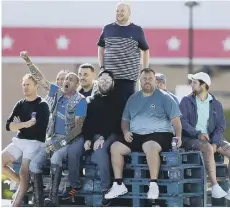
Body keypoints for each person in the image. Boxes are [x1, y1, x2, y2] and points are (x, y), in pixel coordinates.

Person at [20, 52, 87, 206]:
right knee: (34, 164)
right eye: (65, 79)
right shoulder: (56, 93)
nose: (66, 81)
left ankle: (53, 198)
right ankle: (38, 200)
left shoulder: (80, 101)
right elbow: (40, 79)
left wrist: (59, 144)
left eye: (71, 79)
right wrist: (28, 61)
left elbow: (78, 129)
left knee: (56, 157)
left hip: (68, 141)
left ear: (77, 85)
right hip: (51, 138)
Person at [105, 68, 182, 200]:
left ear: (155, 80)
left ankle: (153, 184)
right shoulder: (133, 98)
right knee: (115, 147)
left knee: (149, 146)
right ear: (140, 81)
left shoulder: (165, 97)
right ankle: (118, 184)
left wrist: (178, 136)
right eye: (144, 79)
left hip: (160, 134)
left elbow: (176, 120)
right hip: (136, 134)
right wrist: (126, 131)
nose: (147, 81)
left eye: (150, 78)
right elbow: (125, 120)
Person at [62, 71, 118, 206]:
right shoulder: (91, 100)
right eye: (102, 80)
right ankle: (75, 185)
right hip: (92, 134)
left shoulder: (117, 99)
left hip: (110, 134)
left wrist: (102, 138)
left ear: (113, 83)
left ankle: (106, 189)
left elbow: (114, 122)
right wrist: (87, 138)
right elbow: (87, 122)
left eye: (108, 80)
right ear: (98, 82)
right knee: (73, 151)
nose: (104, 83)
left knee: (99, 152)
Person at [97, 2, 150, 133]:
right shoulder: (108, 28)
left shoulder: (137, 30)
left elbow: (145, 50)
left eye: (122, 11)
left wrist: (145, 70)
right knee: (109, 110)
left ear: (129, 13)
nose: (119, 13)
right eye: (117, 11)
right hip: (110, 79)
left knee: (127, 110)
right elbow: (100, 47)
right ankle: (108, 137)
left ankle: (125, 137)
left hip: (128, 78)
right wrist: (102, 67)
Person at [180, 72, 230, 200]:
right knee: (207, 148)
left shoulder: (216, 104)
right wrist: (198, 134)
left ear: (203, 85)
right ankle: (214, 187)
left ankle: (228, 187)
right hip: (191, 139)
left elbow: (220, 126)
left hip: (212, 139)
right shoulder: (186, 101)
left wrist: (215, 142)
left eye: (195, 82)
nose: (192, 85)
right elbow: (182, 122)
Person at [2, 74, 50, 207]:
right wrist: (25, 124)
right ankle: (25, 184)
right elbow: (8, 126)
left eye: (28, 84)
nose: (25, 87)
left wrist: (19, 125)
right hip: (20, 140)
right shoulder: (20, 104)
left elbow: (39, 129)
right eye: (24, 84)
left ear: (36, 86)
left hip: (35, 142)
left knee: (24, 172)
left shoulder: (43, 105)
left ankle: (15, 205)